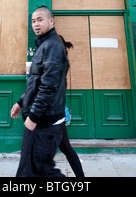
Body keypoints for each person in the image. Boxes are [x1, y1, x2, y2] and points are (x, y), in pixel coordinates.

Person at [11, 6, 69, 177]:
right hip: (41, 119)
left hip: (44, 122)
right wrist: (21, 102)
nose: (36, 24)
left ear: (51, 21)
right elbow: (36, 82)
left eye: (40, 20)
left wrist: (34, 117)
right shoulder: (45, 45)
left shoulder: (52, 46)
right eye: (33, 21)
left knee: (39, 171)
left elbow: (48, 86)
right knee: (31, 170)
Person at [58, 35, 85, 178]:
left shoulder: (60, 62)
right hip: (52, 111)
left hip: (53, 112)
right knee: (65, 147)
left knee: (66, 148)